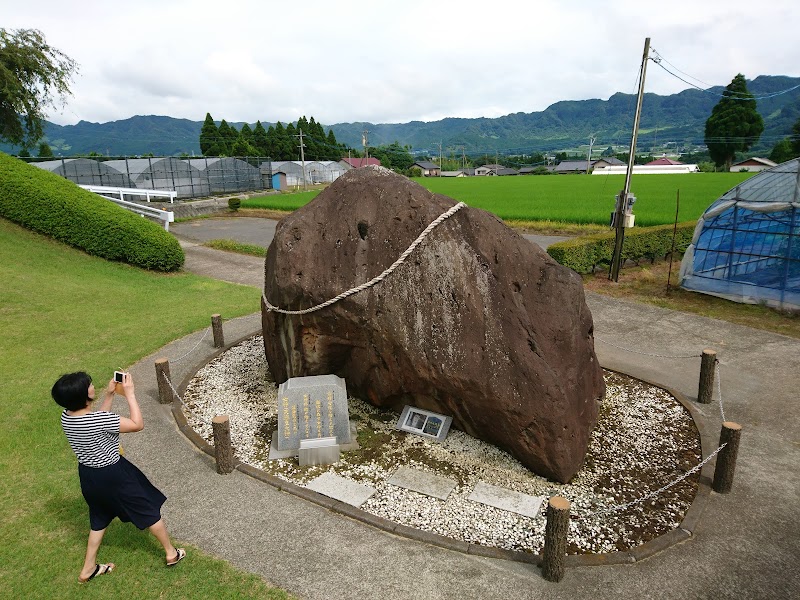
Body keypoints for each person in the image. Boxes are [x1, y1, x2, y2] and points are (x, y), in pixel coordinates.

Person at [52, 371, 186, 583]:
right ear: (84, 396)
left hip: (89, 476)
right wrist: (130, 394)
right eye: (89, 385)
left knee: (99, 517)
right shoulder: (99, 420)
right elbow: (137, 424)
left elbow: (97, 421)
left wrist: (110, 395)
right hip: (114, 475)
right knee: (147, 508)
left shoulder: (67, 417)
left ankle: (89, 567)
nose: (92, 385)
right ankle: (171, 553)